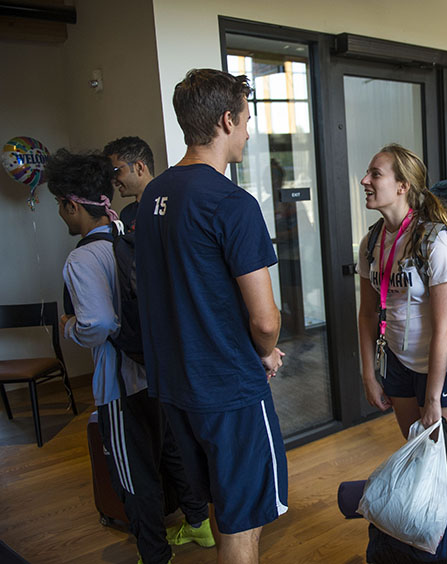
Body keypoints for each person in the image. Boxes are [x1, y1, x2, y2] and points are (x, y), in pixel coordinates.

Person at [135, 69, 287, 564]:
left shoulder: (151, 195)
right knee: (243, 522)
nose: (247, 132)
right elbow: (264, 320)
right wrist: (264, 353)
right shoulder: (232, 203)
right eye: (246, 120)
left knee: (224, 506)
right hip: (229, 389)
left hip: (176, 386)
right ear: (226, 120)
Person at [46, 150, 213, 564]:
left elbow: (99, 324)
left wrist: (69, 324)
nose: (63, 216)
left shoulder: (82, 258)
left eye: (60, 208)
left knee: (133, 472)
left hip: (118, 385)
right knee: (171, 449)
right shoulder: (129, 233)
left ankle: (154, 555)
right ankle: (198, 523)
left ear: (71, 205)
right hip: (156, 369)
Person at [357, 144, 447, 446]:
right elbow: (367, 313)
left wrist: (433, 397)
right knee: (417, 453)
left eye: (375, 174)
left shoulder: (436, 240)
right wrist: (369, 375)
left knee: (446, 466)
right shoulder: (371, 242)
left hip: (442, 369)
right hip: (398, 364)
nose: (364, 180)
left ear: (402, 186)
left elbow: (443, 327)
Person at [103, 136, 155, 233]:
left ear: (139, 167)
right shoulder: (127, 214)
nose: (113, 180)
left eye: (116, 171)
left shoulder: (170, 203)